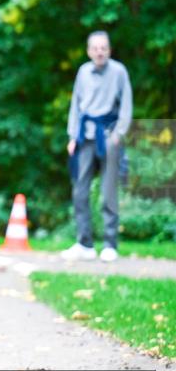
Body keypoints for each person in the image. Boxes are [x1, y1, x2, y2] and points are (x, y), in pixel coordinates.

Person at [61, 31, 133, 263]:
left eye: (104, 48)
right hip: (85, 136)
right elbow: (76, 105)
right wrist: (73, 136)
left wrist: (119, 133)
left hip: (109, 135)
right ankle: (85, 243)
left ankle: (110, 244)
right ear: (89, 50)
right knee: (79, 190)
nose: (100, 52)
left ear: (109, 50)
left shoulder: (119, 71)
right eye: (96, 48)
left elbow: (126, 105)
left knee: (108, 191)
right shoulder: (83, 72)